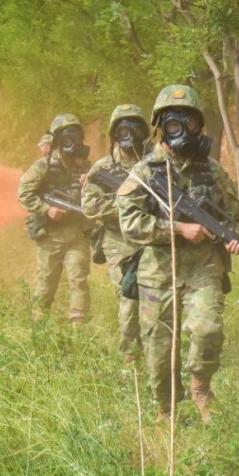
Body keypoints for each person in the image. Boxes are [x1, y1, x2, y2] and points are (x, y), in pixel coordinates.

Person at [116, 85, 239, 424]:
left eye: (190, 123)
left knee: (208, 330)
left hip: (204, 268)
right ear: (161, 127)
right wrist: (176, 229)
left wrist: (232, 239)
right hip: (158, 274)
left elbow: (236, 219)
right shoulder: (144, 172)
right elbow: (130, 224)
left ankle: (201, 388)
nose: (183, 132)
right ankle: (167, 409)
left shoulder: (212, 171)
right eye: (174, 125)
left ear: (199, 126)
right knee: (159, 352)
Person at [82, 104, 151, 362]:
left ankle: (155, 352)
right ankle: (130, 356)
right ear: (114, 134)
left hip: (153, 239)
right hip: (118, 241)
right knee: (129, 294)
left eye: (135, 129)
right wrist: (127, 206)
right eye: (123, 130)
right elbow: (89, 205)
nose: (130, 135)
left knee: (155, 297)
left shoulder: (156, 164)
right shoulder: (103, 169)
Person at [18, 114, 94, 324]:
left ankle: (79, 331)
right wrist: (47, 209)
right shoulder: (43, 165)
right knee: (46, 286)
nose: (72, 143)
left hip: (77, 234)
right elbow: (24, 194)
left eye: (75, 137)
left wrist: (90, 183)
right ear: (57, 140)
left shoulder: (86, 167)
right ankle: (39, 329)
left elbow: (99, 197)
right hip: (51, 235)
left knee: (79, 281)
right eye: (67, 138)